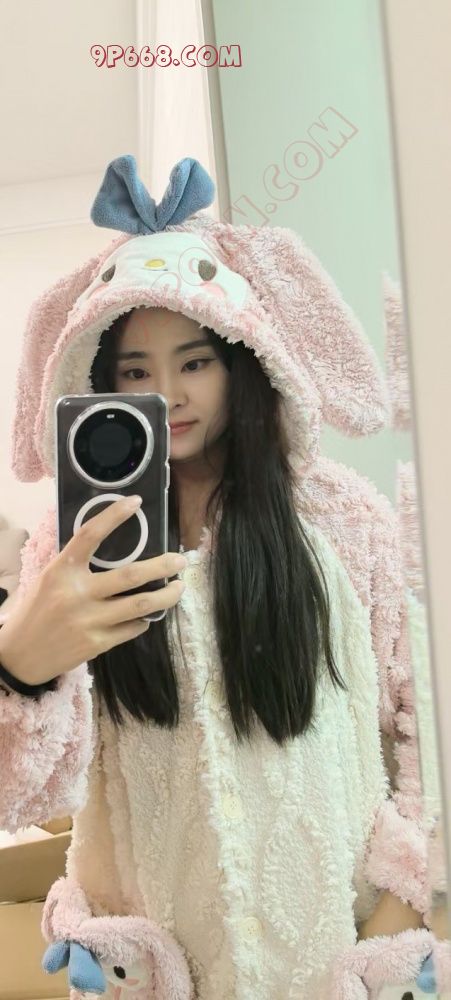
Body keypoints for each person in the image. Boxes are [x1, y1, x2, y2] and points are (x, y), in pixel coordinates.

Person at [0, 156, 433, 998]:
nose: (167, 394)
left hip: (334, 956)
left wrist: (399, 911)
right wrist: (21, 667)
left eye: (194, 362)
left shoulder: (339, 518)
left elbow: (421, 721)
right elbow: (24, 793)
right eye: (135, 372)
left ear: (242, 359)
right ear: (101, 383)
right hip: (160, 966)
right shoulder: (70, 541)